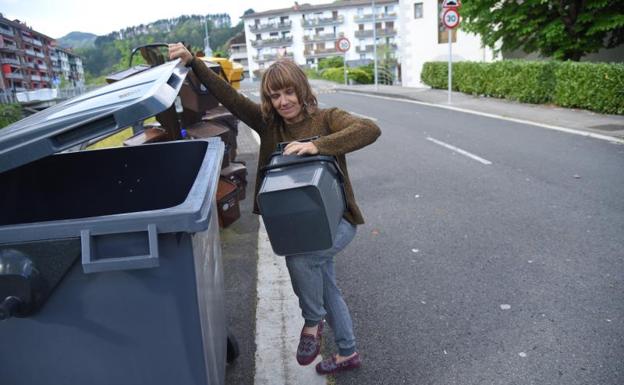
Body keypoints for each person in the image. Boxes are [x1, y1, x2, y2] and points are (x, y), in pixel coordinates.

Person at [169, 43, 381, 375]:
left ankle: (312, 323)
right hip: (295, 225)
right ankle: (347, 352)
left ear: (302, 90)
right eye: (274, 96)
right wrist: (194, 62)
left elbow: (370, 128)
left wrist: (316, 145)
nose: (283, 102)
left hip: (337, 222)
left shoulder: (327, 119)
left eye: (288, 93)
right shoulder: (270, 126)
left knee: (302, 258)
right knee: (326, 284)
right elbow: (230, 97)